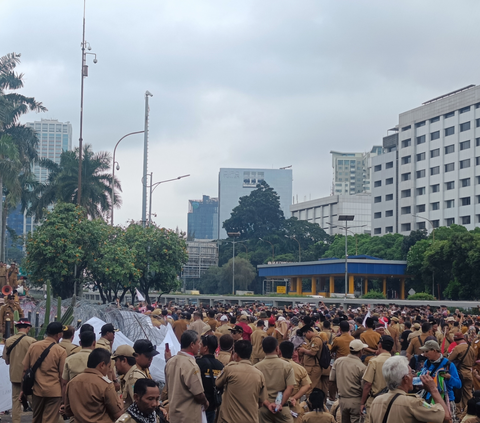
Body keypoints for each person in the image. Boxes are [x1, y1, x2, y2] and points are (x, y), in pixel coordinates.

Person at [369, 356, 448, 423]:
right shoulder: (412, 402)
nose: (413, 376)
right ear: (406, 379)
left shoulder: (376, 401)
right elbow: (446, 417)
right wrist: (433, 389)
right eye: (411, 373)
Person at [21, 322, 67, 423]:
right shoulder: (61, 351)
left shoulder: (34, 346)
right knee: (50, 419)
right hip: (54, 391)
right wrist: (64, 398)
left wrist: (23, 389)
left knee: (36, 418)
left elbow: (25, 369)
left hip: (37, 390)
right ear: (58, 335)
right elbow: (62, 375)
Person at [64, 348, 124, 423]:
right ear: (102, 365)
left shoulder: (72, 382)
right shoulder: (105, 385)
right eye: (109, 366)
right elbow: (117, 414)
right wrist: (121, 402)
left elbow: (68, 411)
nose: (109, 370)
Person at [216, 339, 266, 423]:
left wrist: (230, 362)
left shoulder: (230, 369)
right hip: (251, 420)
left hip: (229, 420)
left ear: (235, 355)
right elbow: (261, 402)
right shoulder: (259, 374)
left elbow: (217, 383)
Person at [165, 330, 208, 423]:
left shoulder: (170, 362)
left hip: (174, 414)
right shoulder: (191, 365)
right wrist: (205, 402)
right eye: (198, 343)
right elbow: (198, 394)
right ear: (192, 345)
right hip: (188, 416)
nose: (200, 346)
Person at [254, 336, 295, 423]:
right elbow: (290, 387)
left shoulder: (256, 367)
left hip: (263, 408)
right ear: (277, 349)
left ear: (263, 349)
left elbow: (256, 390)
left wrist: (268, 404)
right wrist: (279, 404)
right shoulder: (287, 366)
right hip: (282, 408)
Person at [2, 318, 36, 423]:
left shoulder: (8, 341)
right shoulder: (32, 341)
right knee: (32, 399)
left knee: (16, 399)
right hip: (29, 376)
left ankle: (16, 421)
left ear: (17, 328)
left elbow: (6, 361)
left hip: (14, 374)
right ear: (28, 328)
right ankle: (38, 419)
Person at [417, 340, 460, 422]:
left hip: (446, 399)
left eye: (427, 351)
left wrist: (449, 377)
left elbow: (458, 384)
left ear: (434, 350)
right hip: (429, 398)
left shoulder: (448, 365)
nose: (425, 354)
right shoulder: (427, 363)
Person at [329, 339, 367, 423]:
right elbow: (364, 387)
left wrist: (332, 397)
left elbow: (331, 381)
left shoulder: (338, 361)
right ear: (361, 351)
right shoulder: (362, 367)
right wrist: (363, 403)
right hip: (356, 400)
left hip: (342, 400)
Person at [360, 335, 394, 423]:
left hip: (375, 400)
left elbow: (368, 384)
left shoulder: (374, 361)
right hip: (391, 400)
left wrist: (362, 403)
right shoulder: (396, 361)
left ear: (380, 345)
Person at [279, 341, 312, 423]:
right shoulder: (299, 368)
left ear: (279, 351)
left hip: (274, 404)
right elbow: (307, 385)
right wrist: (294, 397)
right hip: (293, 405)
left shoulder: (272, 365)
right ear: (293, 352)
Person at [196, 335, 224, 423]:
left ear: (205, 348)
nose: (199, 347)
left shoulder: (197, 364)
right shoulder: (220, 366)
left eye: (201, 344)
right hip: (213, 405)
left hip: (199, 405)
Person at [62, 329, 97, 398]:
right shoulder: (99, 359)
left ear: (80, 343)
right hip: (93, 397)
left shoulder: (69, 359)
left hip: (74, 397)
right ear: (94, 343)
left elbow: (64, 383)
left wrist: (64, 402)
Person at [449, 332, 476, 419]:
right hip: (469, 373)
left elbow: (449, 360)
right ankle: (472, 411)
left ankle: (458, 415)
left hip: (460, 374)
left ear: (456, 340)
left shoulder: (457, 348)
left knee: (457, 394)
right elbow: (473, 361)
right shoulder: (471, 348)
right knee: (468, 395)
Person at [298, 327, 323, 395]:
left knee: (309, 388)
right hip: (311, 366)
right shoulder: (313, 340)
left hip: (313, 367)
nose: (305, 337)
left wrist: (304, 350)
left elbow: (313, 352)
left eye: (305, 334)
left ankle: (309, 404)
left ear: (309, 332)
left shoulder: (316, 340)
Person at [112, 345, 137, 410]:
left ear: (124, 361)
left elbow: (138, 407)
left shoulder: (133, 378)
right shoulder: (128, 377)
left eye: (116, 360)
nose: (115, 364)